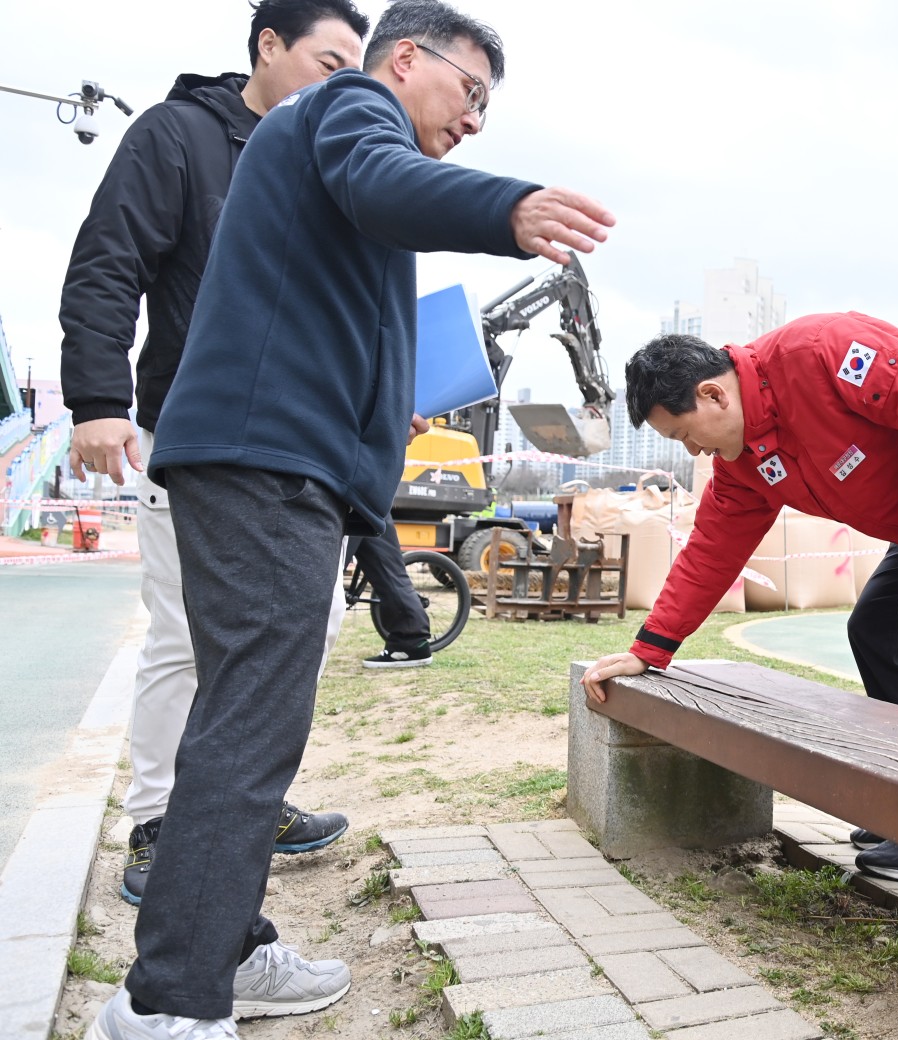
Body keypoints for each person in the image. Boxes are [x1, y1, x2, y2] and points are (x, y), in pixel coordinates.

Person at [86, 1, 614, 1035]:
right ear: (405, 59)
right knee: (251, 727)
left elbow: (347, 273)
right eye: (470, 92)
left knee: (242, 719)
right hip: (265, 462)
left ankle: (228, 950)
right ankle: (165, 1002)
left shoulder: (333, 171)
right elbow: (384, 178)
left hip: (271, 458)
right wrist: (508, 208)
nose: (475, 121)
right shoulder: (351, 108)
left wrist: (383, 398)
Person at [59, 0, 369, 911]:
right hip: (194, 435)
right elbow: (108, 260)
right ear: (268, 45)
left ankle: (241, 800)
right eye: (329, 63)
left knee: (310, 626)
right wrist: (99, 401)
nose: (342, 86)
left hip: (299, 445)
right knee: (185, 632)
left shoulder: (326, 158)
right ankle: (162, 821)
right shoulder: (179, 137)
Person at [583, 312, 898, 883]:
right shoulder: (744, 463)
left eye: (684, 434)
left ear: (713, 395)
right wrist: (650, 649)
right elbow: (712, 551)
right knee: (874, 629)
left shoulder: (820, 353)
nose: (694, 451)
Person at [352, 522, 433, 667]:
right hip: (371, 511)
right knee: (391, 572)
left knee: (390, 574)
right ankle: (411, 642)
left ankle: (410, 643)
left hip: (358, 511)